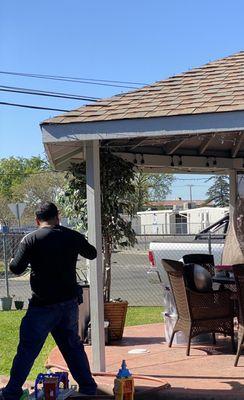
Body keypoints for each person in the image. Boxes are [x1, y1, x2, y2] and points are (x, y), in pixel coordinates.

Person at [0, 202, 97, 399]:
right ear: (57, 217)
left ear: (37, 220)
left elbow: (16, 268)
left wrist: (11, 262)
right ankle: (88, 386)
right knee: (73, 347)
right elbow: (92, 253)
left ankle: (11, 392)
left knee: (28, 349)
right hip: (69, 304)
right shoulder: (71, 235)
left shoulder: (31, 239)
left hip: (42, 306)